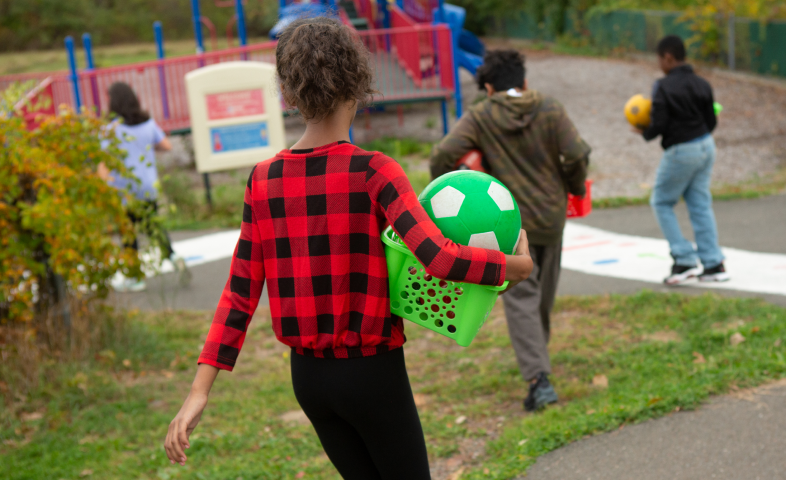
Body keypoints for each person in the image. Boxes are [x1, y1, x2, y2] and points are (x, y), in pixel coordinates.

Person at [163, 18, 534, 480]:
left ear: (288, 94)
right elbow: (438, 258)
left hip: (309, 381)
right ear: (358, 82)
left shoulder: (263, 181)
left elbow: (239, 294)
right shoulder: (375, 171)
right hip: (372, 373)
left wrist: (200, 390)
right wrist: (512, 266)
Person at [430, 50, 591, 412]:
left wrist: (450, 196)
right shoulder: (550, 107)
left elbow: (442, 153)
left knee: (521, 299)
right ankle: (540, 366)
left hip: (508, 226)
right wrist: (575, 187)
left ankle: (539, 378)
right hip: (551, 216)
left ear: (488, 87)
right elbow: (577, 154)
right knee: (542, 295)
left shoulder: (481, 115)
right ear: (524, 81)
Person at [634, 35, 729, 285]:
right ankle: (714, 264)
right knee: (700, 204)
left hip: (681, 150)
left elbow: (659, 123)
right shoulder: (702, 83)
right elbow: (711, 120)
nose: (659, 65)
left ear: (668, 57)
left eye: (659, 59)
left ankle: (684, 259)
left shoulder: (663, 86)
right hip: (706, 146)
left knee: (662, 201)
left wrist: (644, 131)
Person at [100, 81, 183, 292]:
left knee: (129, 234)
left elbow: (102, 163)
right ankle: (173, 256)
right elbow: (166, 145)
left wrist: (105, 185)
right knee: (152, 226)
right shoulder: (147, 123)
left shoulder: (111, 130)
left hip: (124, 189)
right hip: (148, 186)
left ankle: (135, 278)